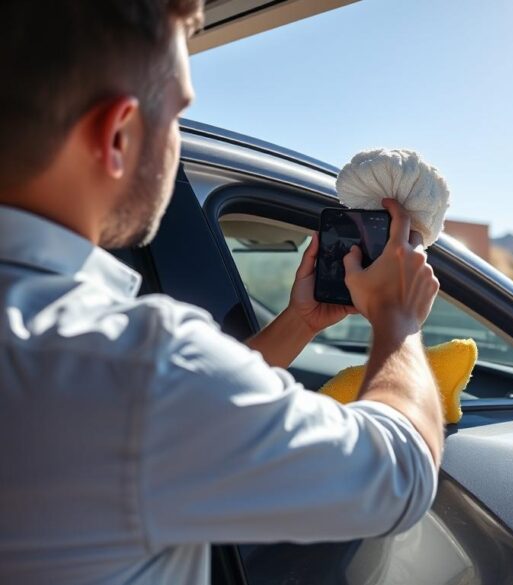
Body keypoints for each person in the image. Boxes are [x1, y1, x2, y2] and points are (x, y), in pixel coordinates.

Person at [0, 2, 445, 583]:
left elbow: (176, 419)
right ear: (118, 134)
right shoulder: (138, 368)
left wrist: (298, 324)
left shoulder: (111, 373)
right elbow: (400, 475)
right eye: (179, 114)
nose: (177, 141)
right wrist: (398, 322)